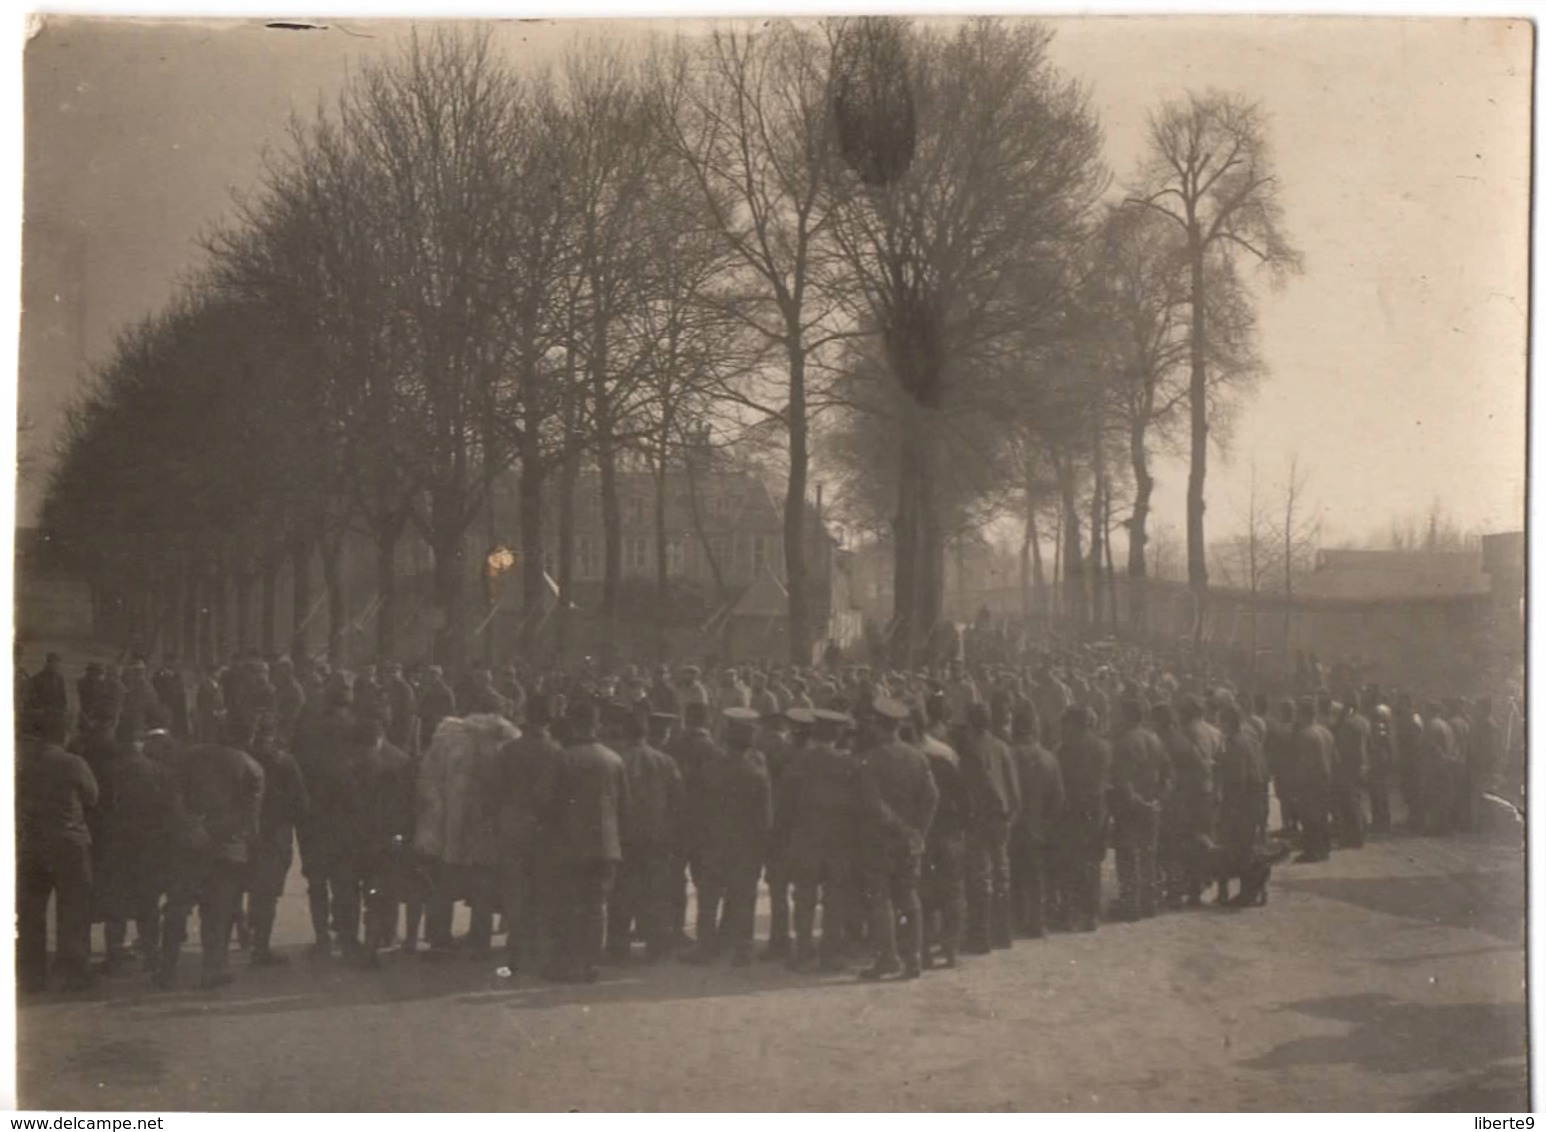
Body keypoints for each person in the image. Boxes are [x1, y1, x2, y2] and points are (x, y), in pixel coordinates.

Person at [157, 726, 265, 989]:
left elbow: (172, 797)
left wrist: (192, 827)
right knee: (217, 911)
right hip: (225, 849)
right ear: (248, 736)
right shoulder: (252, 767)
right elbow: (248, 817)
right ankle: (211, 969)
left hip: (189, 844)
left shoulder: (187, 756)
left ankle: (167, 969)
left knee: (177, 908)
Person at [544, 698, 629, 984]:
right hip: (606, 845)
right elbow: (624, 806)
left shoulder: (562, 758)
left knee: (568, 903)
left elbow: (547, 802)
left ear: (572, 725)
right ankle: (591, 962)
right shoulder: (614, 759)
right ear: (598, 724)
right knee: (597, 904)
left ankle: (568, 963)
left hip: (568, 844)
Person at [854, 697, 938, 980]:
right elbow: (931, 797)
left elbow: (872, 803)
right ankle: (913, 958)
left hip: (880, 839)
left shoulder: (871, 759)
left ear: (879, 725)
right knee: (909, 896)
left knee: (880, 899)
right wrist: (918, 831)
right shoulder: (917, 756)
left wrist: (900, 827)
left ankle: (888, 958)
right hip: (910, 840)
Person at [16, 710, 99, 992]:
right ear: (64, 735)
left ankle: (31, 976)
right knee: (74, 909)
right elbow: (92, 796)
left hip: (34, 844)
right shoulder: (73, 762)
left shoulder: (25, 765)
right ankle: (74, 973)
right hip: (69, 843)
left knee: (31, 913)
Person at [683, 708, 772, 966]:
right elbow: (764, 817)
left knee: (709, 897)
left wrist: (697, 841)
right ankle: (742, 948)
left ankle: (705, 946)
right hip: (746, 847)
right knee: (743, 897)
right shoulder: (757, 772)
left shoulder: (711, 768)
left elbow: (697, 807)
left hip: (713, 843)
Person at [606, 707, 685, 964]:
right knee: (655, 893)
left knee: (621, 895)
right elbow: (678, 801)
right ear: (647, 732)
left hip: (625, 837)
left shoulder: (616, 760)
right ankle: (657, 948)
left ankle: (618, 950)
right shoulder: (665, 761)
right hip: (657, 838)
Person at [784, 709, 860, 972]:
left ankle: (802, 951)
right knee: (834, 898)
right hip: (837, 841)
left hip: (805, 838)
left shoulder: (799, 760)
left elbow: (787, 801)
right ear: (838, 735)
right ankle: (829, 954)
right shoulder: (847, 763)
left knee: (804, 898)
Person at [495, 693, 563, 974]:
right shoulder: (558, 752)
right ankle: (540, 948)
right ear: (549, 720)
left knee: (515, 888)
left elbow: (496, 790)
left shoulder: (509, 750)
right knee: (544, 888)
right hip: (545, 828)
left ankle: (516, 949)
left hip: (513, 823)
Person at [956, 701, 1020, 953]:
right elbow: (1014, 789)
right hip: (1002, 818)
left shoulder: (971, 751)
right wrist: (1010, 816)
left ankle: (980, 936)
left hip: (980, 819)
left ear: (971, 724)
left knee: (980, 879)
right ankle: (1003, 933)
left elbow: (971, 790)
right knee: (1002, 876)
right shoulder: (1002, 747)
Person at [246, 712, 309, 966]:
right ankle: (260, 947)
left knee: (238, 888)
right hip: (274, 835)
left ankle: (242, 935)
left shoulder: (242, 757)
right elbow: (301, 804)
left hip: (241, 833)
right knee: (267, 893)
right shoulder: (285, 762)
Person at [1108, 699, 1172, 922]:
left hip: (1131, 806)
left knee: (1128, 854)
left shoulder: (1124, 743)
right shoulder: (1155, 739)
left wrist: (1137, 801)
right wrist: (1158, 800)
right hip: (1152, 804)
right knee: (1149, 853)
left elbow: (1121, 780)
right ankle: (1149, 902)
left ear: (1127, 716)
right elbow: (1167, 774)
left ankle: (1131, 904)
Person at [1051, 706, 1111, 932]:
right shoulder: (1104, 747)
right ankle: (1091, 914)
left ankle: (1070, 913)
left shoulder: (1065, 748)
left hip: (1072, 810)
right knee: (1092, 863)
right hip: (1097, 810)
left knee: (1070, 862)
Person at [917, 698, 967, 966]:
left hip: (924, 832)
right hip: (948, 832)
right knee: (952, 892)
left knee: (923, 892)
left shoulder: (909, 755)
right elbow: (962, 793)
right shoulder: (945, 753)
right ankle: (950, 949)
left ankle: (923, 948)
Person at [1009, 702, 1063, 939]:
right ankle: (1037, 922)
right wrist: (1047, 823)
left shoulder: (1009, 754)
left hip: (1013, 825)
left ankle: (1016, 920)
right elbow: (1058, 797)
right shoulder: (1049, 758)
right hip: (1039, 825)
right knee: (1036, 876)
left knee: (1014, 875)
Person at [1215, 704, 1270, 906]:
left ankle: (1247, 894)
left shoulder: (1234, 744)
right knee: (1249, 847)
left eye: (1221, 721)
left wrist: (1230, 807)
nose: (1219, 725)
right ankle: (1256, 890)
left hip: (1241, 803)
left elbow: (1237, 778)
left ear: (1229, 722)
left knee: (1239, 849)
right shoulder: (1251, 740)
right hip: (1256, 799)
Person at [1292, 697, 1337, 863]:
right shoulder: (1326, 732)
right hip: (1326, 778)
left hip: (1311, 781)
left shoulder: (1305, 735)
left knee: (1309, 816)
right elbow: (1335, 757)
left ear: (1302, 714)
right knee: (1322, 814)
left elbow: (1306, 762)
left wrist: (1298, 782)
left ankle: (1312, 851)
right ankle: (1324, 847)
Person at [1332, 696, 1370, 849]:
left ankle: (1353, 837)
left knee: (1348, 802)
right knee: (1358, 799)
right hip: (1363, 764)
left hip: (1349, 766)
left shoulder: (1347, 723)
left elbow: (1343, 747)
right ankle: (1360, 833)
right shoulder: (1365, 722)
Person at [29, 653, 69, 743]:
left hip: (57, 714)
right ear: (47, 664)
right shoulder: (37, 679)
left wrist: (63, 709)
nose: (55, 666)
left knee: (58, 738)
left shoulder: (59, 679)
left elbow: (63, 696)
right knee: (45, 738)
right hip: (43, 714)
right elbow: (31, 698)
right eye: (53, 663)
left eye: (57, 664)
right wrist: (40, 709)